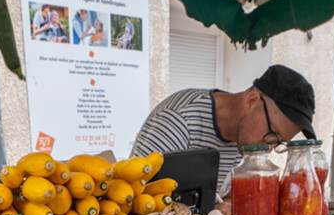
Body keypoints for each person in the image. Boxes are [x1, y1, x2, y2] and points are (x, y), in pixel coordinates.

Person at [131, 65, 316, 199]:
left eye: (279, 142)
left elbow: (219, 198)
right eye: (273, 134)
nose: (271, 148)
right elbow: (135, 199)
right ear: (252, 100)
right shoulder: (177, 120)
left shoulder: (243, 139)